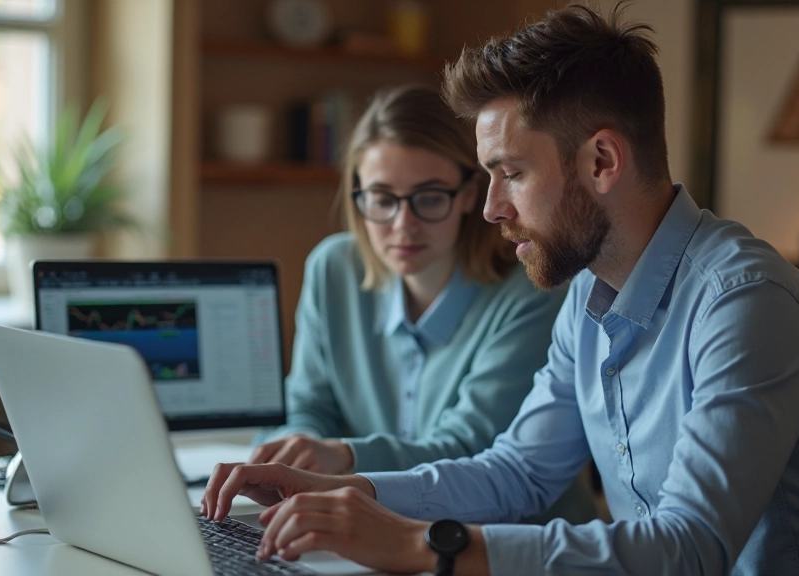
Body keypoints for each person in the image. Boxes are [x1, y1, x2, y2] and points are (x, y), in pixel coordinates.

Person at [202, 5, 799, 575]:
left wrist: (415, 542)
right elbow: (515, 474)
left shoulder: (745, 302)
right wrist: (337, 491)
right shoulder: (587, 294)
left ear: (602, 161)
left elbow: (688, 549)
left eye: (510, 173)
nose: (490, 207)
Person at [248, 85, 588, 524]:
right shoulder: (333, 269)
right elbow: (310, 405)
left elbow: (471, 448)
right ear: (359, 196)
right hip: (378, 529)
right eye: (382, 199)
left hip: (514, 543)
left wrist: (344, 456)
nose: (402, 225)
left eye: (429, 198)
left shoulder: (530, 290)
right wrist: (299, 446)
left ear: (469, 193)